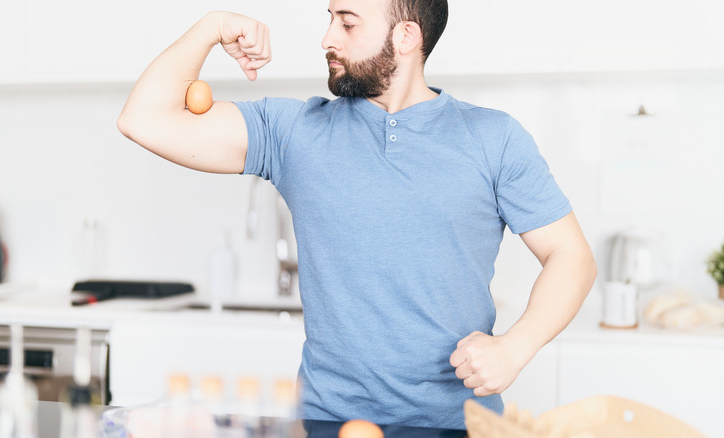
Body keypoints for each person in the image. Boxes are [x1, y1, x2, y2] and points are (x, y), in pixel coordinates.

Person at [117, 0, 597, 430]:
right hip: (327, 421)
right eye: (330, 19)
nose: (327, 37)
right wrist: (211, 25)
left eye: (347, 23)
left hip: (458, 424)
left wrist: (516, 347)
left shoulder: (494, 138)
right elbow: (144, 119)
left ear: (405, 36)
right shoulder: (294, 132)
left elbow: (570, 256)